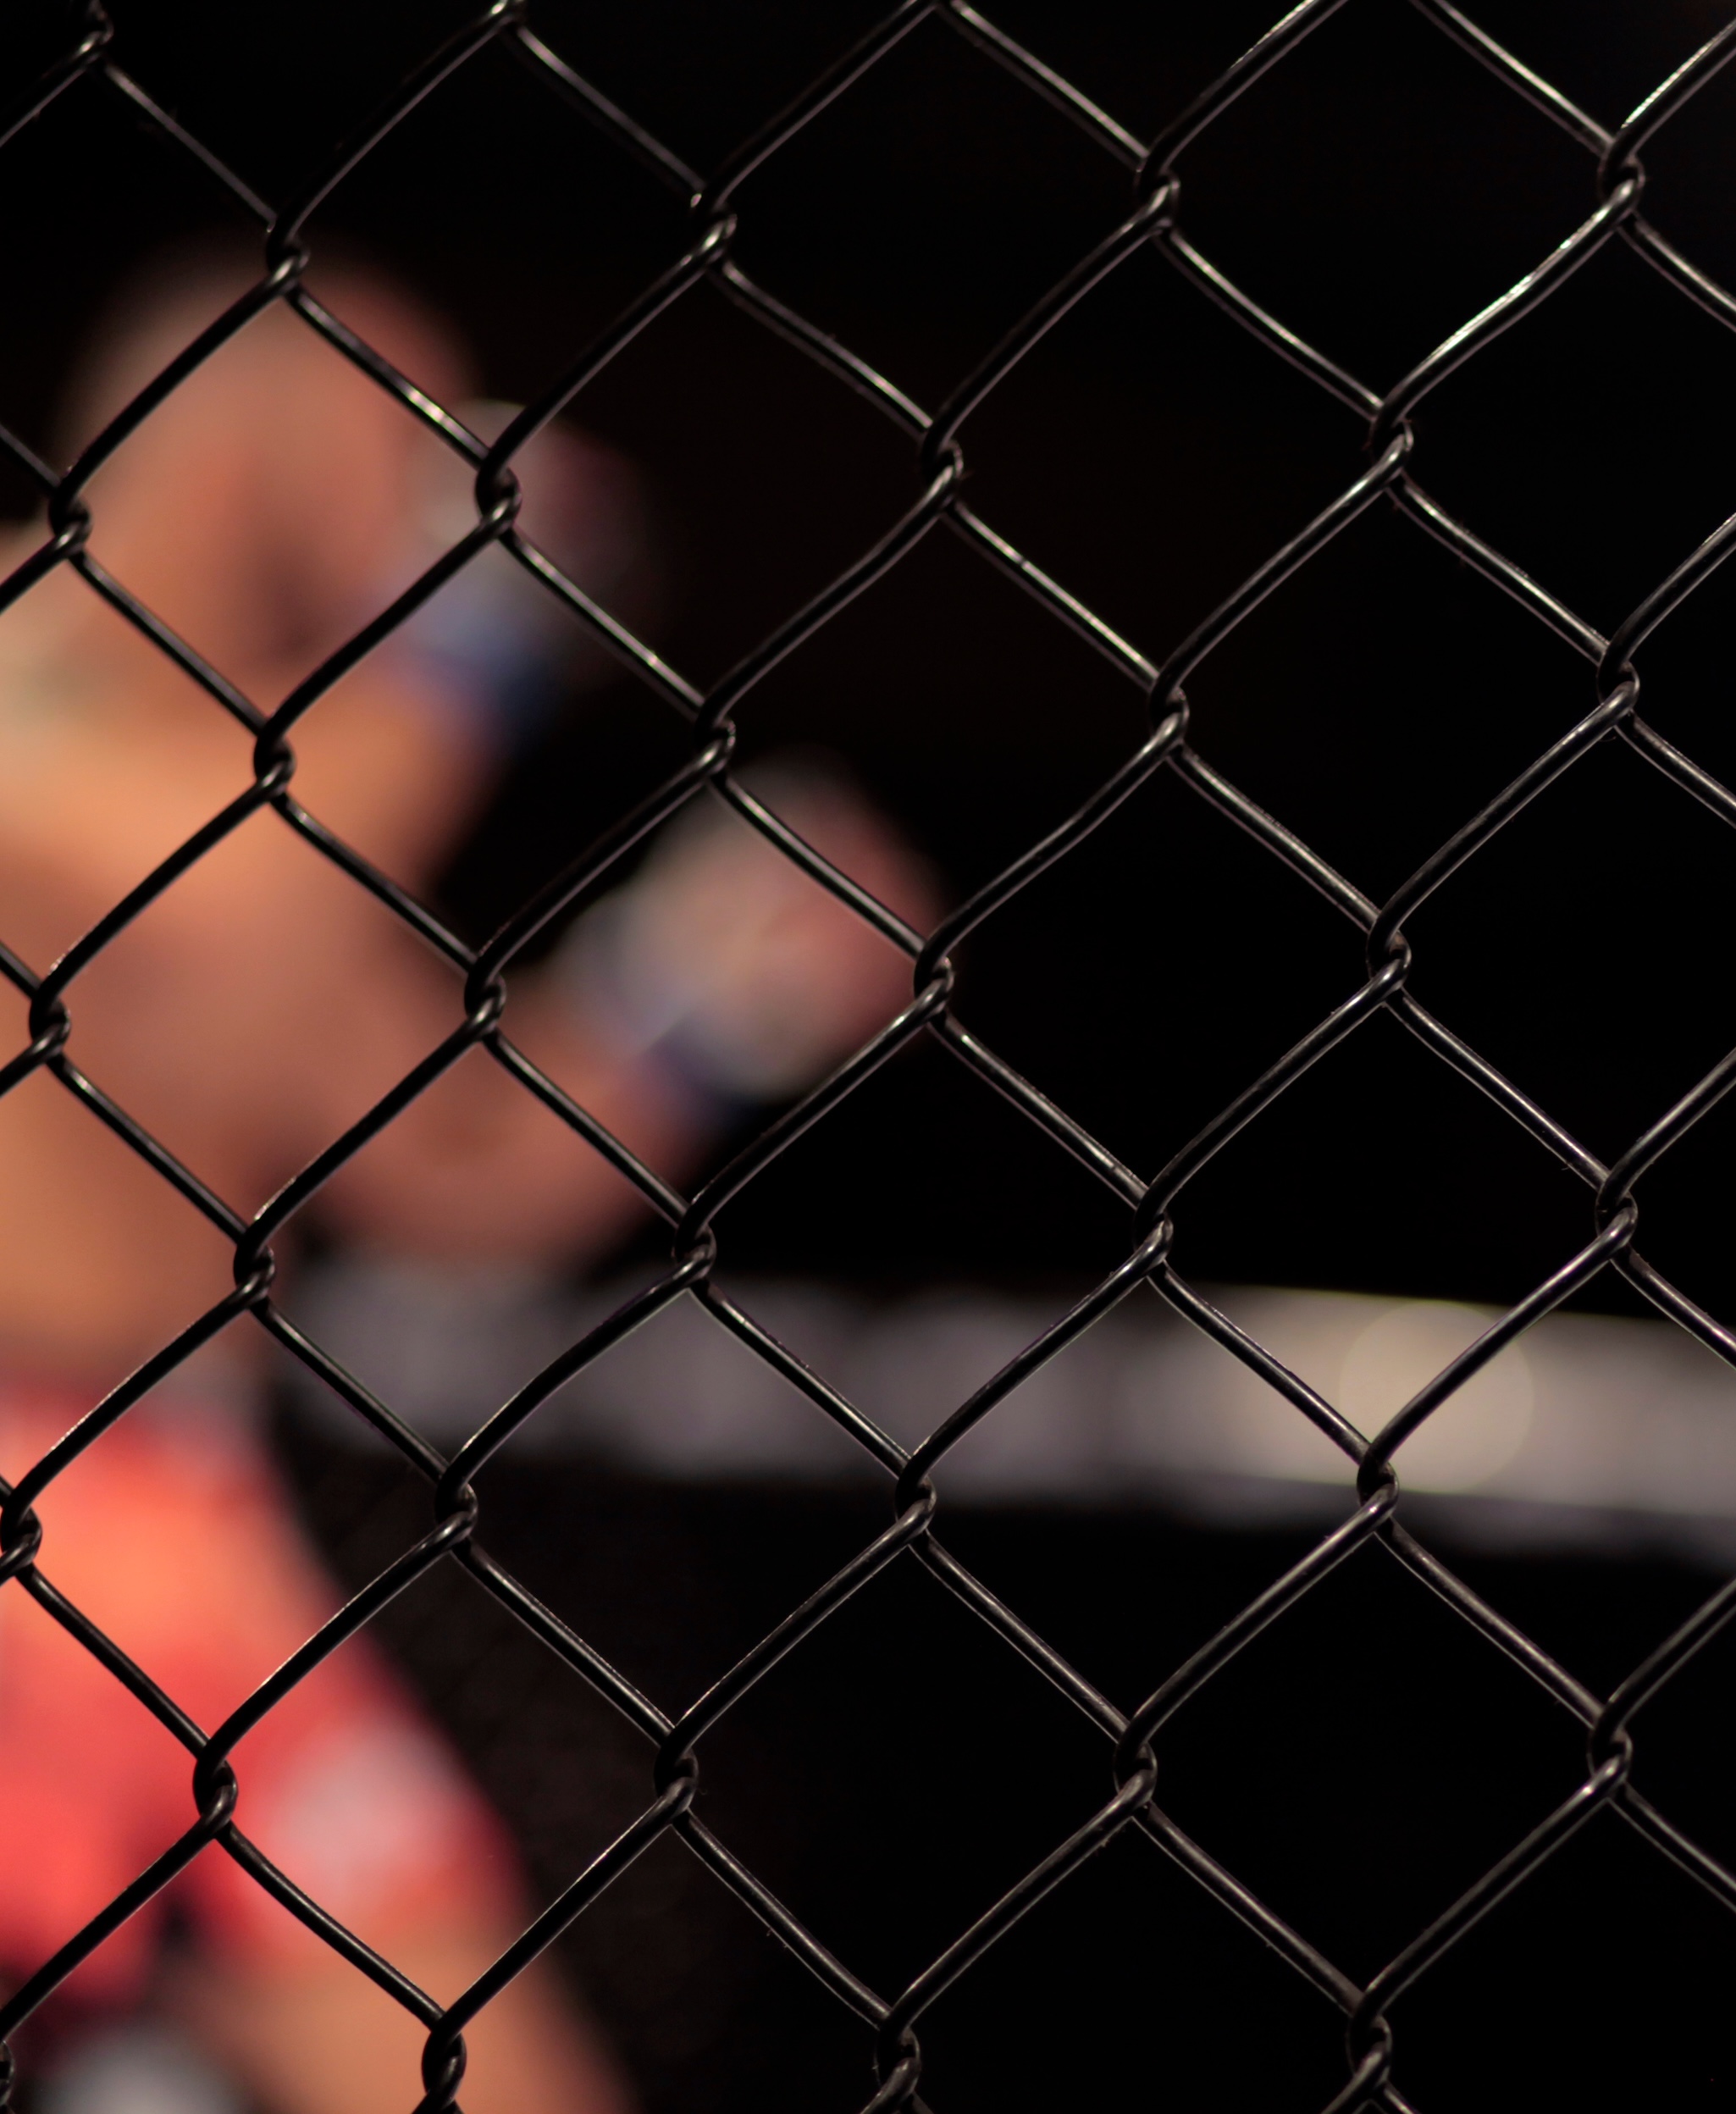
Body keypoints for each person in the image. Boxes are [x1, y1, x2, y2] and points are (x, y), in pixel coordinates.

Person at [0, 257, 927, 2112]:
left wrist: (695, 1004)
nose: (444, 486)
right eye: (403, 437)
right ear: (242, 442)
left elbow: (455, 1160)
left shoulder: (267, 787)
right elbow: (197, 899)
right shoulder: (29, 662)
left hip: (181, 1516)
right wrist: (475, 637)